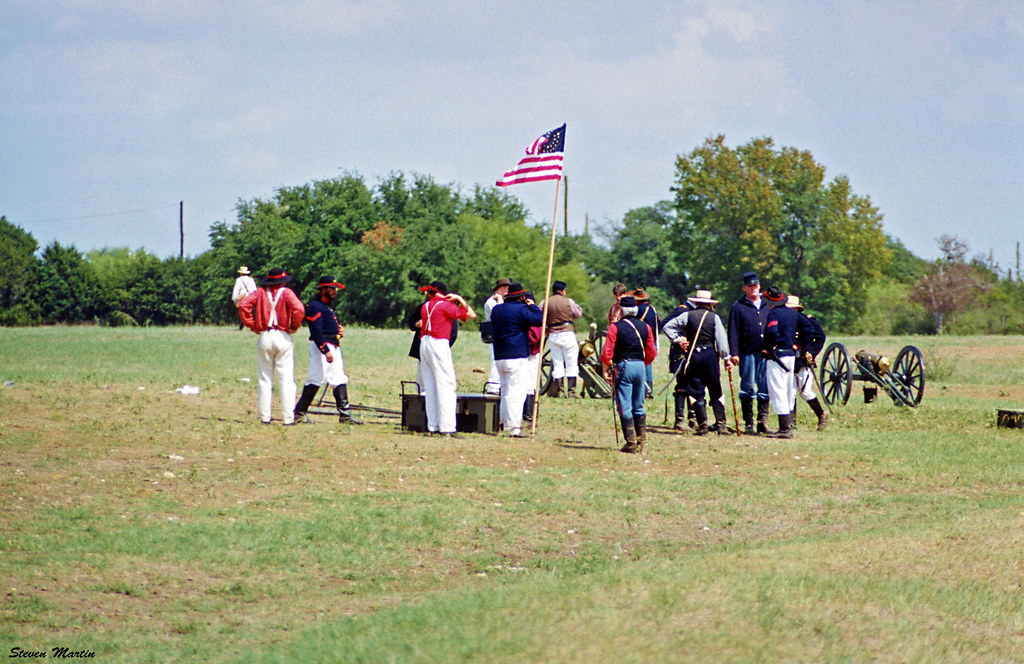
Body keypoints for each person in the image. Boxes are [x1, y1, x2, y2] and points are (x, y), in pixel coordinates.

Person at [237, 268, 306, 425]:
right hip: (282, 336)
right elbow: (299, 309)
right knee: (286, 379)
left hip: (265, 335)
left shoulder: (260, 292)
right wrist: (294, 325)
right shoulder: (287, 293)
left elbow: (244, 306)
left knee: (265, 379)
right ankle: (288, 418)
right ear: (282, 281)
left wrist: (252, 325)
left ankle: (265, 417)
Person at [293, 276, 362, 425]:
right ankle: (299, 412)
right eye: (331, 288)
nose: (334, 291)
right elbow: (316, 330)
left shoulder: (326, 306)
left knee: (338, 378)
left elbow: (327, 326)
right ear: (323, 289)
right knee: (316, 378)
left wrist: (338, 331)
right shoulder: (315, 306)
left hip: (333, 345)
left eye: (334, 288)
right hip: (323, 346)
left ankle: (345, 414)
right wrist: (325, 349)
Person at [663, 290, 731, 435]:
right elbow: (721, 341)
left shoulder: (687, 315)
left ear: (696, 302)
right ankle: (721, 425)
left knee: (696, 390)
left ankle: (702, 426)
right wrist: (726, 358)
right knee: (715, 389)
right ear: (709, 305)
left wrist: (678, 339)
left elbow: (667, 326)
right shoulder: (714, 318)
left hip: (693, 356)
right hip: (709, 355)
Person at [600, 296, 657, 454]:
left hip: (624, 366)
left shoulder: (615, 327)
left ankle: (631, 442)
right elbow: (652, 353)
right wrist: (642, 365)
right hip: (640, 366)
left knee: (624, 405)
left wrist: (605, 369)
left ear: (621, 311)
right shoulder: (646, 327)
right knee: (638, 404)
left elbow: (607, 353)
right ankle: (641, 440)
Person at [418, 280, 476, 436]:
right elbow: (471, 315)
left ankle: (433, 426)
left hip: (425, 343)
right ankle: (447, 427)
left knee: (430, 386)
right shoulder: (445, 305)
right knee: (446, 384)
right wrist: (460, 299)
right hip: (439, 342)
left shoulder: (426, 306)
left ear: (433, 293)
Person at [489, 282, 544, 437]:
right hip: (517, 356)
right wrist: (532, 305)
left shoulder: (496, 310)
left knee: (505, 391)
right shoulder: (521, 310)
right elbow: (539, 319)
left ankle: (503, 423)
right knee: (516, 393)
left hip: (500, 356)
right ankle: (513, 428)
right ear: (521, 297)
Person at [727, 271, 772, 435]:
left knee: (764, 387)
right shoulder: (738, 306)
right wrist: (734, 352)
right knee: (747, 387)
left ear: (759, 286)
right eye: (750, 286)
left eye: (755, 285)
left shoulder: (767, 305)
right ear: (744, 288)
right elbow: (733, 330)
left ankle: (762, 422)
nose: (753, 288)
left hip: (765, 352)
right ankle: (748, 423)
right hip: (746, 352)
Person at [762, 285, 800, 438]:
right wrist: (799, 344)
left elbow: (771, 331)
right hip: (791, 354)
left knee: (777, 390)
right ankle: (789, 424)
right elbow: (808, 330)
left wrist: (769, 347)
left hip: (777, 356)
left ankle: (784, 429)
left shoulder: (774, 313)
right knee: (788, 390)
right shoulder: (793, 314)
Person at [788, 295, 829, 431]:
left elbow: (820, 338)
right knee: (791, 391)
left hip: (802, 360)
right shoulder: (784, 321)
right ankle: (791, 422)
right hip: (788, 359)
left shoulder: (808, 321)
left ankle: (821, 415)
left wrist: (811, 352)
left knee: (805, 392)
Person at [407, 290, 459, 395]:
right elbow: (411, 322)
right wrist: (417, 324)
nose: (428, 295)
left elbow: (453, 333)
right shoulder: (424, 306)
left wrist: (440, 346)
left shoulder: (447, 308)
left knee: (439, 383)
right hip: (423, 349)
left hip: (439, 351)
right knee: (421, 383)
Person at [540, 280, 583, 398]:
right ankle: (571, 391)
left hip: (553, 335)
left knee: (557, 363)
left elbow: (538, 314)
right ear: (563, 291)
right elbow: (578, 313)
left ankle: (560, 390)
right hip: (567, 333)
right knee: (571, 363)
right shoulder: (568, 301)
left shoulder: (545, 302)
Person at [660, 295, 697, 430]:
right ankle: (680, 420)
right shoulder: (682, 310)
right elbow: (664, 324)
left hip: (692, 353)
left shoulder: (693, 311)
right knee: (682, 385)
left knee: (693, 384)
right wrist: (678, 339)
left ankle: (693, 418)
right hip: (680, 354)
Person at [482, 278, 511, 395]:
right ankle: (493, 386)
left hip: (501, 333)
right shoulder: (491, 302)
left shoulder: (502, 301)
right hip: (493, 334)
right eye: (507, 289)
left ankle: (499, 385)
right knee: (495, 359)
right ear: (502, 289)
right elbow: (500, 314)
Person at [632, 288, 660, 398]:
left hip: (641, 341)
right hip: (652, 340)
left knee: (641, 365)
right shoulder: (652, 309)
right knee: (648, 366)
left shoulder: (637, 310)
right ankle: (649, 390)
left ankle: (643, 390)